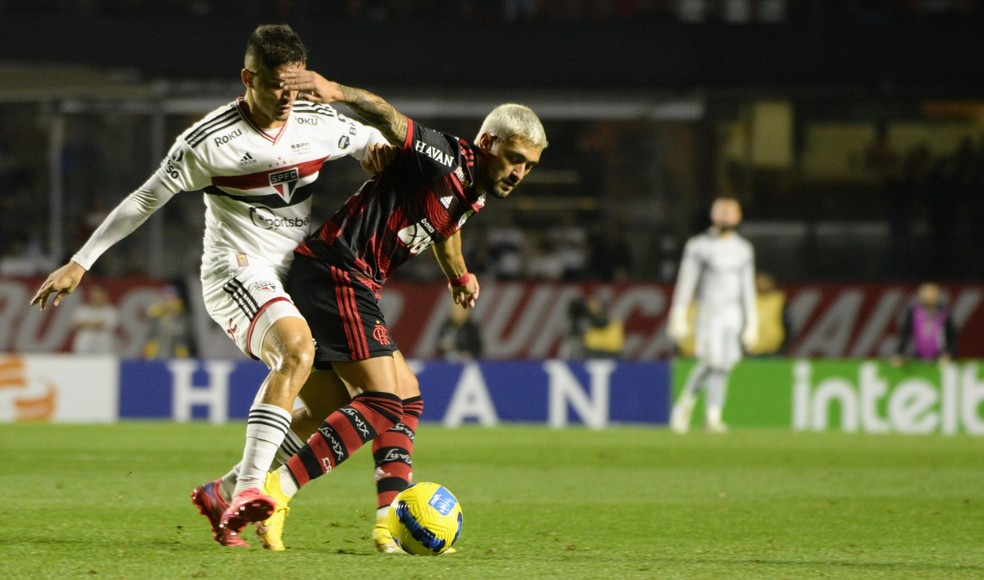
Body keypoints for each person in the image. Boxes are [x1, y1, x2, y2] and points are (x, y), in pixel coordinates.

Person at [29, 24, 392, 548]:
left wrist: (374, 153)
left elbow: (372, 141)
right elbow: (144, 199)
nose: (287, 98)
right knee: (296, 350)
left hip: (295, 276)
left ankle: (222, 493)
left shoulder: (317, 122)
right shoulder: (209, 142)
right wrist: (80, 262)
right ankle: (250, 490)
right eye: (274, 86)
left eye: (294, 86)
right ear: (248, 78)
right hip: (236, 271)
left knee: (331, 401)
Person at [218, 71, 545, 551]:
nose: (519, 172)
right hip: (336, 272)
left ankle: (383, 523)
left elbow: (447, 223)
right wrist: (338, 93)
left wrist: (458, 274)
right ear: (489, 142)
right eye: (514, 159)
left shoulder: (475, 188)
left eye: (529, 166)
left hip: (350, 280)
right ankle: (276, 489)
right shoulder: (447, 156)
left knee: (401, 400)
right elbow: (392, 119)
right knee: (384, 401)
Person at [667, 197, 757, 434]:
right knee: (711, 362)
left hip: (733, 315)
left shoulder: (744, 249)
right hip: (709, 313)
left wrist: (752, 322)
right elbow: (686, 282)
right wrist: (678, 314)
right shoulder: (699, 246)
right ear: (713, 214)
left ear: (738, 216)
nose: (727, 215)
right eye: (722, 210)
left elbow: (748, 288)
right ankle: (684, 406)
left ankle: (713, 417)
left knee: (724, 366)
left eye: (731, 211)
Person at [891, 282, 957, 366]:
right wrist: (899, 353)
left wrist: (949, 354)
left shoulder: (945, 313)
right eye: (926, 292)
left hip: (940, 359)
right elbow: (905, 334)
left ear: (937, 295)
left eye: (932, 292)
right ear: (920, 295)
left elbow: (952, 336)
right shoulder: (913, 312)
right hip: (917, 358)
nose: (929, 296)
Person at [746, 271, 792, 357]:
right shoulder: (748, 300)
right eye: (758, 281)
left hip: (775, 351)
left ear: (772, 282)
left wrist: (784, 347)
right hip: (752, 352)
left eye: (765, 281)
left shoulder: (779, 300)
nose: (761, 284)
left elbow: (788, 325)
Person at [141, 285, 193, 359]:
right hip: (156, 355)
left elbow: (183, 335)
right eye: (166, 299)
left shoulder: (181, 315)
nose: (168, 302)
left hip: (176, 356)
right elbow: (150, 335)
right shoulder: (156, 315)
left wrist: (172, 318)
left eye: (171, 299)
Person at [69, 284, 119, 355]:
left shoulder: (110, 311)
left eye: (99, 297)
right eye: (95, 296)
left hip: (103, 347)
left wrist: (85, 324)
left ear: (105, 296)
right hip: (84, 346)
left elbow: (103, 325)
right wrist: (95, 324)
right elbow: (76, 325)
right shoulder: (82, 310)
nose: (96, 299)